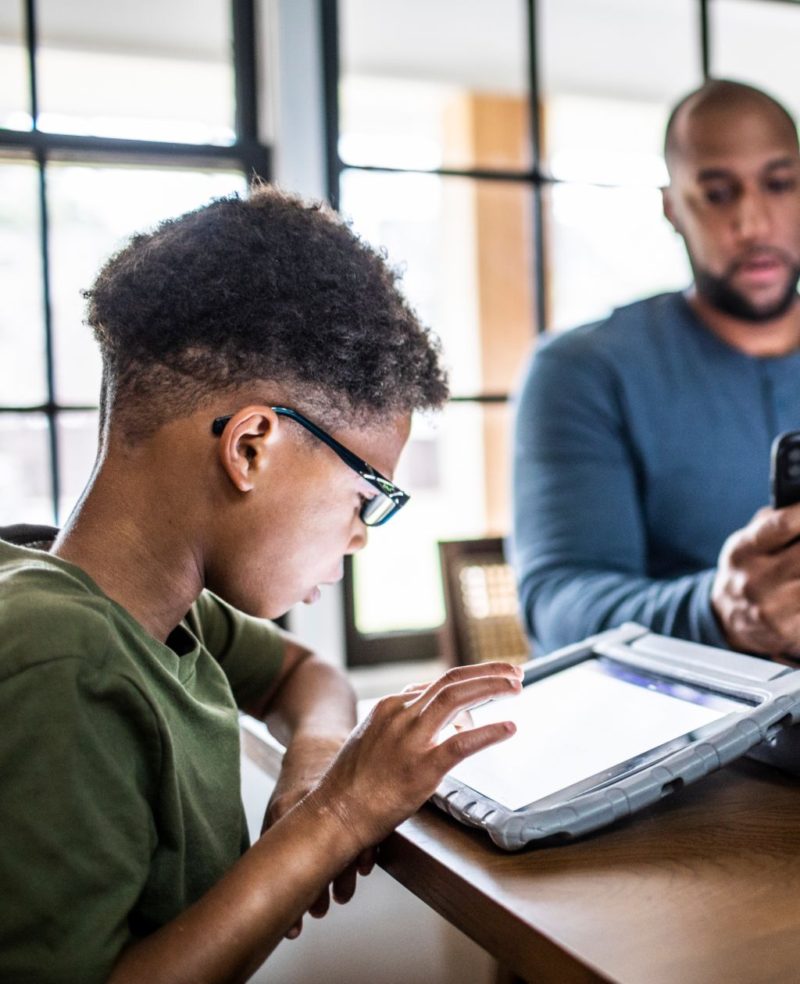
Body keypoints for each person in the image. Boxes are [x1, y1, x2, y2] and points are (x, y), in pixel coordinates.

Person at [0, 186, 523, 984]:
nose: (358, 537)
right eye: (363, 497)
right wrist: (341, 814)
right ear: (251, 447)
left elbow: (306, 676)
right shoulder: (63, 662)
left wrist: (313, 763)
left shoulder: (159, 613)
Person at [512, 78, 800, 658]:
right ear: (673, 208)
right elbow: (557, 606)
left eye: (779, 184)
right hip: (698, 733)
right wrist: (719, 611)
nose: (753, 223)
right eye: (718, 193)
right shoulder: (582, 371)